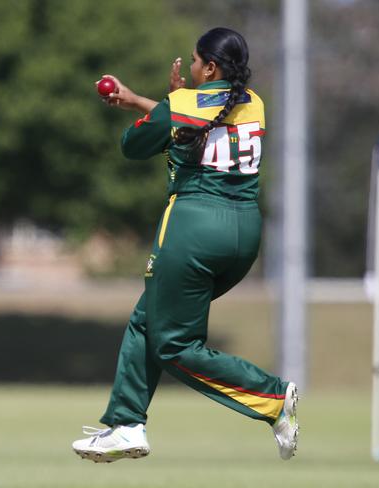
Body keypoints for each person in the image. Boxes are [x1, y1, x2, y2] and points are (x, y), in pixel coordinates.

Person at [72, 27, 298, 463]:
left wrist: (158, 108)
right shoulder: (253, 103)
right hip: (244, 235)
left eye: (196, 61)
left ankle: (271, 397)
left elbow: (132, 146)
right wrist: (143, 101)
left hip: (193, 230)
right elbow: (205, 122)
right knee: (148, 317)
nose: (191, 67)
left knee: (172, 344)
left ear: (210, 67)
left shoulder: (182, 105)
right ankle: (126, 423)